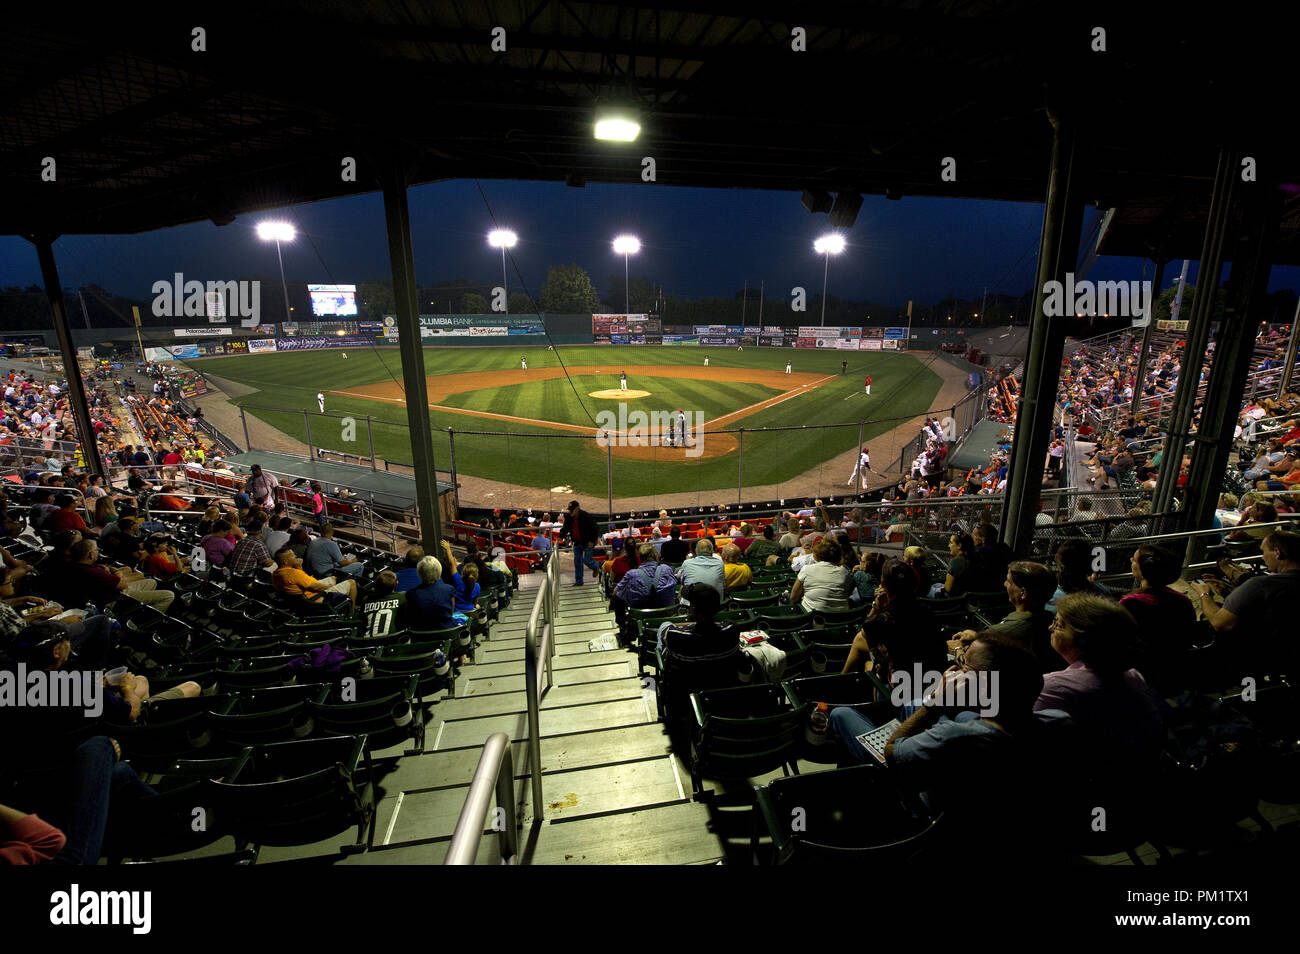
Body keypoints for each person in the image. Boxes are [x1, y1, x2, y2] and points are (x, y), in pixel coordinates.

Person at [1037, 593, 1164, 772]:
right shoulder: (1133, 675)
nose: (1051, 627)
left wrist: (986, 680)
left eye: (1058, 624)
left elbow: (1006, 733)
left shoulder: (1054, 687)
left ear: (1082, 638)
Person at [1189, 530, 1300, 677]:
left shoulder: (1261, 585)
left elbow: (1219, 623)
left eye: (1264, 551)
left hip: (1249, 657)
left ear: (1277, 553)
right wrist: (1230, 594)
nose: (1262, 557)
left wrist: (1204, 593)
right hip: (1286, 657)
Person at [949, 561, 1063, 672]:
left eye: (1009, 581)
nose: (1005, 584)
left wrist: (957, 649)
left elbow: (970, 666)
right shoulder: (1049, 621)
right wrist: (978, 636)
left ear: (1023, 592)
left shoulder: (1003, 631)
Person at [1119, 545, 1196, 694]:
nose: (1131, 561)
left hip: (1139, 674)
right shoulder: (1182, 601)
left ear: (1144, 569)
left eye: (1134, 560)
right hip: (1173, 670)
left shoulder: (1130, 603)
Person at [271, 547, 357, 611]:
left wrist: (299, 567)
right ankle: (351, 613)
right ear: (285, 561)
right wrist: (330, 586)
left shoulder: (275, 573)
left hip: (303, 597)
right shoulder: (293, 573)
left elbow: (301, 580)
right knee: (351, 583)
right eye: (293, 555)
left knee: (333, 577)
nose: (296, 556)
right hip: (316, 598)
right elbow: (316, 587)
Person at [791, 538, 852, 613]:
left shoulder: (806, 569)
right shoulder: (845, 571)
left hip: (813, 618)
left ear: (816, 555)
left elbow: (793, 598)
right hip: (842, 619)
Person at [404, 555, 457, 630]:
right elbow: (451, 613)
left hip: (422, 637)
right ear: (439, 570)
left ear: (420, 573)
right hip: (447, 633)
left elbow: (410, 619)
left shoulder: (411, 594)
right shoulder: (449, 589)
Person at [559, 499, 601, 586]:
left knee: (587, 561)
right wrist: (560, 536)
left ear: (577, 509)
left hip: (588, 542)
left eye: (572, 509)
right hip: (577, 542)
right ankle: (579, 582)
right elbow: (565, 528)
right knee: (577, 561)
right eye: (569, 509)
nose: (570, 511)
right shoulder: (569, 517)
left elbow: (595, 528)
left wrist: (592, 541)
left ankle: (597, 567)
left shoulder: (586, 516)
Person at [361, 570, 405, 639]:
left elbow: (362, 621)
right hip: (390, 643)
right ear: (396, 584)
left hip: (367, 643)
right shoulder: (402, 597)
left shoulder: (367, 599)